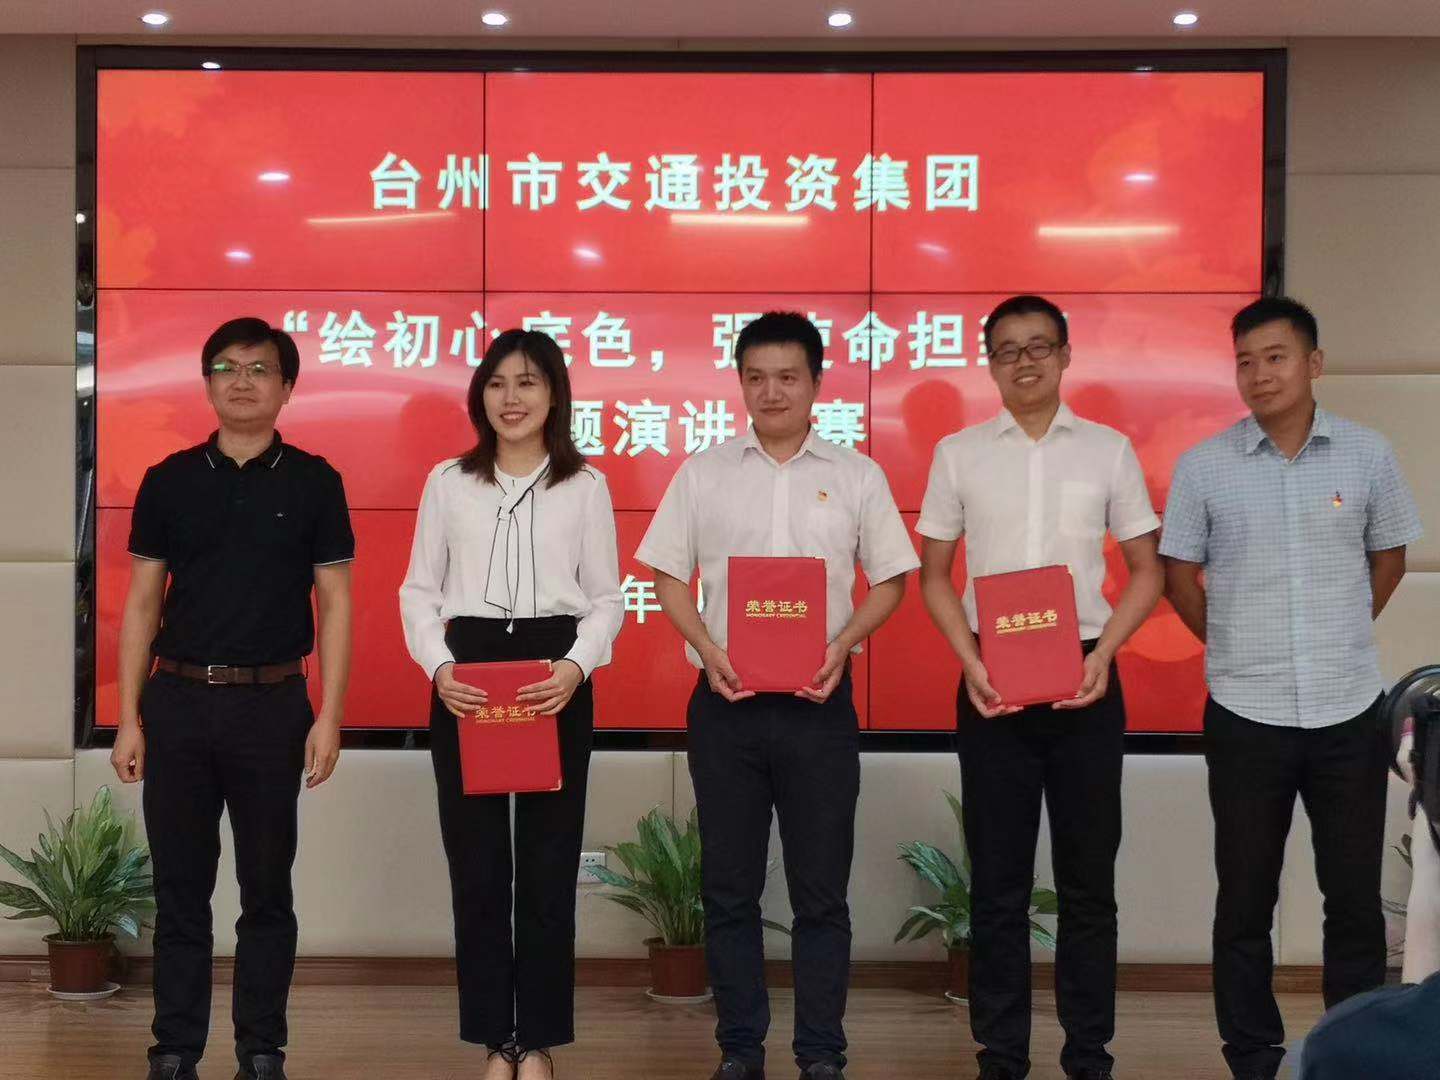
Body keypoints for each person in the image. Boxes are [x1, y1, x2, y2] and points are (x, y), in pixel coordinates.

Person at [636, 312, 919, 1080]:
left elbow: (892, 579)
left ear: (816, 383)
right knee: (729, 890)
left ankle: (821, 1053)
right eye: (756, 377)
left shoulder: (857, 475)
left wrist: (843, 642)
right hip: (725, 705)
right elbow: (667, 573)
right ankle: (740, 1051)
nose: (771, 391)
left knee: (820, 894)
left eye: (788, 376)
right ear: (740, 383)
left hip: (818, 707)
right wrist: (707, 647)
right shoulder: (704, 473)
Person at [1159, 296, 1422, 1080]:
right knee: (1245, 900)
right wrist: (1232, 642)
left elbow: (1389, 558)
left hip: (1349, 709)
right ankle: (1251, 1055)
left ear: (1313, 363)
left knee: (1353, 901)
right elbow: (1178, 575)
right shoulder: (1204, 466)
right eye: (1245, 361)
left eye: (1275, 357)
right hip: (1246, 713)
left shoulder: (1368, 454)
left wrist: (1338, 629)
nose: (1259, 374)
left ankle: (1354, 1049)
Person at [916, 295, 1163, 1080]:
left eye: (1039, 347)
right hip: (992, 678)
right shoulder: (958, 453)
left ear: (1064, 355)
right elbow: (933, 575)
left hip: (1086, 676)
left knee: (1089, 886)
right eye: (1008, 350)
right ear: (989, 363)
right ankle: (1002, 1055)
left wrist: (1106, 653)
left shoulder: (1108, 450)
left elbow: (1147, 570)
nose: (1024, 362)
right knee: (997, 886)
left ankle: (1089, 1055)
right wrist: (969, 659)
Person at [112, 317, 355, 1080]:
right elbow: (142, 605)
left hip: (272, 706)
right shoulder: (169, 479)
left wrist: (330, 715)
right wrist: (128, 717)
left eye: (259, 369)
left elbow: (335, 604)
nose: (242, 381)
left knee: (266, 890)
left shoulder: (315, 481)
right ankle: (174, 1050)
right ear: (207, 383)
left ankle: (261, 1049)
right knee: (180, 891)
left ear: (287, 387)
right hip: (178, 703)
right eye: (226, 367)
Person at [400, 329, 622, 1080]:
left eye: (527, 382)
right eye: (497, 383)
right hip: (467, 677)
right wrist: (439, 667)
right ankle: (497, 1039)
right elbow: (419, 591)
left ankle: (541, 1040)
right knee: (479, 867)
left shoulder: (585, 486)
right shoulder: (447, 482)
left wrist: (575, 667)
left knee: (550, 865)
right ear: (480, 396)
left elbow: (606, 599)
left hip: (555, 673)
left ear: (554, 394)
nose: (511, 398)